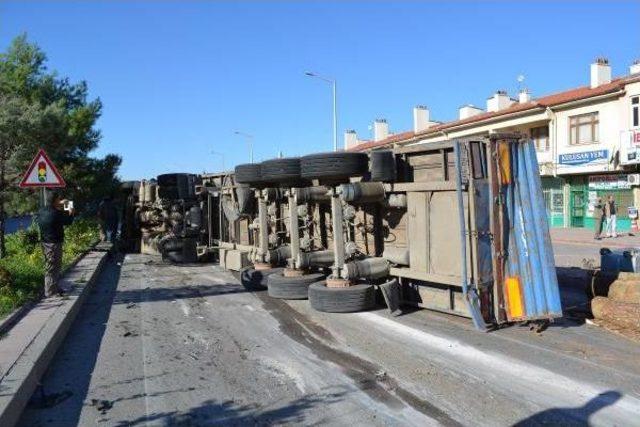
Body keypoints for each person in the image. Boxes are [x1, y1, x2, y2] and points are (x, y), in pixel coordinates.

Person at [38, 191, 74, 297]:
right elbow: (69, 221)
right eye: (59, 199)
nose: (60, 200)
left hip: (45, 242)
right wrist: (70, 207)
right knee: (52, 267)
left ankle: (54, 287)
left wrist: (61, 204)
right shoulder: (56, 213)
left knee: (53, 266)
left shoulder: (42, 210)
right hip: (54, 243)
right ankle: (49, 292)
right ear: (55, 201)